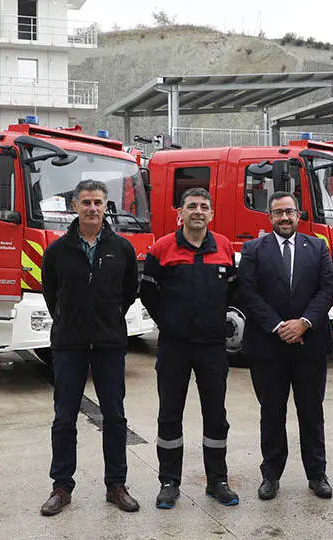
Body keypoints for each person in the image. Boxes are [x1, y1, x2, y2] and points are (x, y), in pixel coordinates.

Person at [39, 179, 141, 516]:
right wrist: (71, 320)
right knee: (64, 417)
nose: (92, 208)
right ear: (75, 207)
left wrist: (107, 319)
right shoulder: (57, 251)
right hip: (69, 344)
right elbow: (51, 292)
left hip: (110, 344)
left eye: (98, 202)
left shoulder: (122, 248)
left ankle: (116, 485)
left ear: (105, 206)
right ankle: (61, 486)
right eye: (86, 203)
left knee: (114, 416)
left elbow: (128, 292)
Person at [139, 188, 239, 510]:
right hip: (175, 347)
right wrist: (169, 324)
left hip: (212, 348)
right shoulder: (161, 249)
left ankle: (217, 480)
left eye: (204, 207)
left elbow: (233, 292)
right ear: (180, 213)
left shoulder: (224, 247)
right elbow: (148, 294)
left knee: (216, 416)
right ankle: (169, 481)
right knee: (170, 415)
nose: (198, 211)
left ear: (212, 214)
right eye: (192, 206)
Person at [238, 191, 333, 500]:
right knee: (271, 413)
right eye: (278, 212)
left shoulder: (317, 247)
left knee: (311, 414)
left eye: (289, 212)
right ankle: (270, 475)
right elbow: (247, 292)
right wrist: (279, 325)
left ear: (298, 215)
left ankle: (317, 474)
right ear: (270, 217)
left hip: (309, 345)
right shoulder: (253, 249)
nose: (284, 217)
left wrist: (304, 322)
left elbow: (327, 289)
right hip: (269, 347)